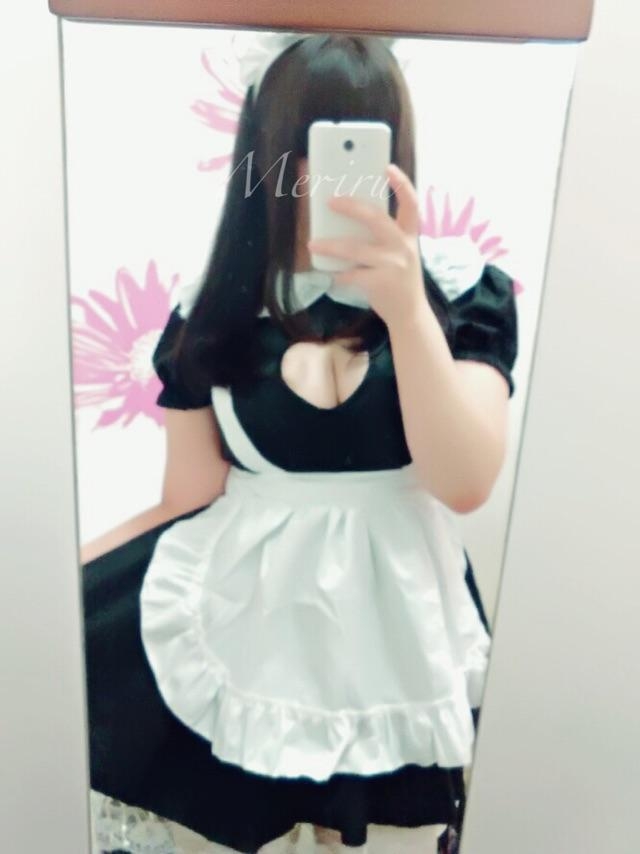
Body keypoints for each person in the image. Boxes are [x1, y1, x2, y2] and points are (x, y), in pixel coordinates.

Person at [82, 32, 517, 854]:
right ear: (269, 152)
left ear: (397, 147)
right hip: (248, 619)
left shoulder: (460, 292)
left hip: (399, 630)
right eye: (310, 141)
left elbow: (463, 481)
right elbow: (188, 496)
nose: (328, 173)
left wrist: (406, 309)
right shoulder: (214, 307)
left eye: (360, 138)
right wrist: (47, 587)